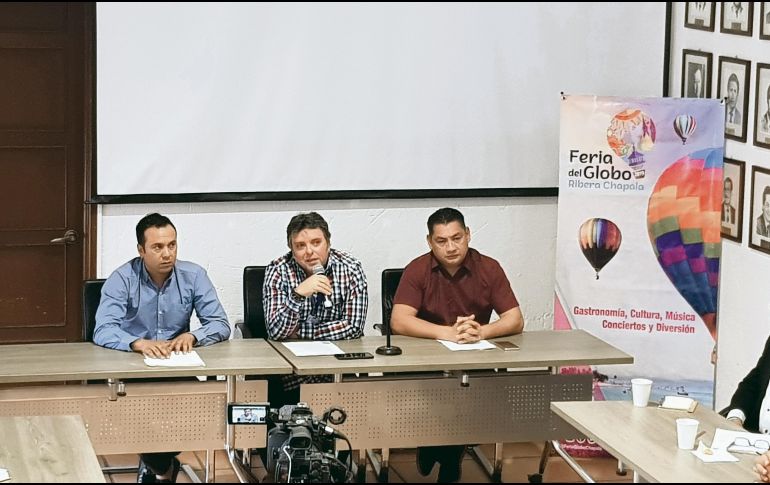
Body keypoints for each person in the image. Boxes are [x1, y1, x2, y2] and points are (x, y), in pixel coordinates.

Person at [93, 213, 231, 483]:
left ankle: (157, 464)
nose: (167, 253)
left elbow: (219, 323)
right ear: (141, 250)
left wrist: (193, 335)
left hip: (175, 366)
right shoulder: (122, 279)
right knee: (139, 419)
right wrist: (137, 343)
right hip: (130, 370)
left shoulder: (193, 275)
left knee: (199, 410)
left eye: (172, 245)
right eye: (157, 247)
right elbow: (103, 329)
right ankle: (162, 466)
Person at [391, 207, 524, 483]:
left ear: (468, 235)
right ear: (430, 242)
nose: (451, 247)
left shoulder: (489, 267)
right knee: (444, 395)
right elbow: (399, 320)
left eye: (457, 238)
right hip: (426, 362)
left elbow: (515, 319)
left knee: (466, 395)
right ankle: (438, 448)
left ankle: (446, 454)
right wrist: (447, 333)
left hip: (474, 359)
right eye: (441, 241)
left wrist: (482, 332)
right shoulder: (418, 269)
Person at [263, 212, 368, 406]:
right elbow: (276, 331)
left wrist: (301, 331)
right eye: (300, 246)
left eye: (316, 242)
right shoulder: (278, 270)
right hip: (292, 375)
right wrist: (298, 294)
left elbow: (353, 327)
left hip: (336, 369)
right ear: (291, 249)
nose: (309, 252)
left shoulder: (350, 268)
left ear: (328, 242)